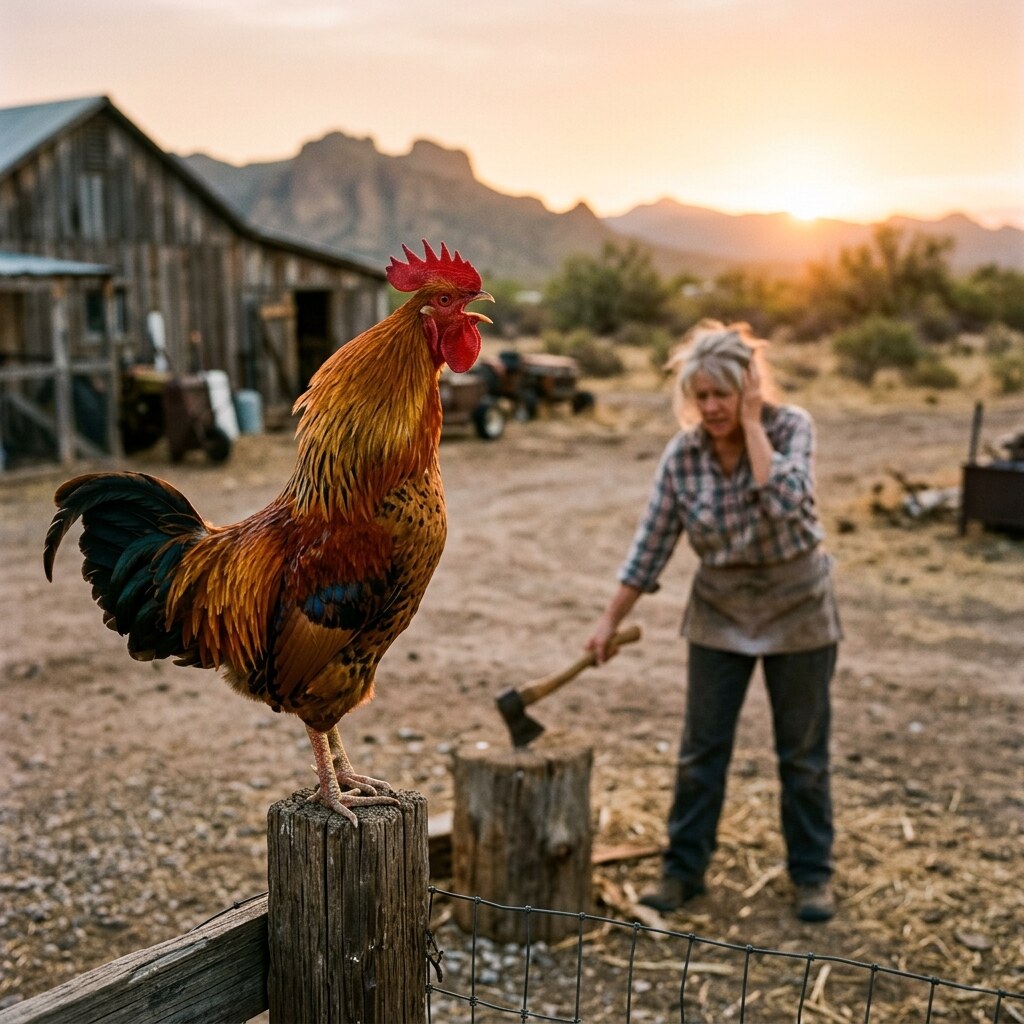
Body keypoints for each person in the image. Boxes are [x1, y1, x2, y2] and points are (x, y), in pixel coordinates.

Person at [586, 320, 841, 923]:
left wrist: (753, 425)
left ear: (749, 388)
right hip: (720, 608)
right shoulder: (684, 454)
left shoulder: (791, 427)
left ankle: (812, 875)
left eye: (722, 393)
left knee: (803, 756)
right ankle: (683, 872)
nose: (710, 407)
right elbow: (651, 546)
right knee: (701, 752)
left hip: (798, 604)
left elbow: (787, 500)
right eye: (700, 396)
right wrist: (608, 621)